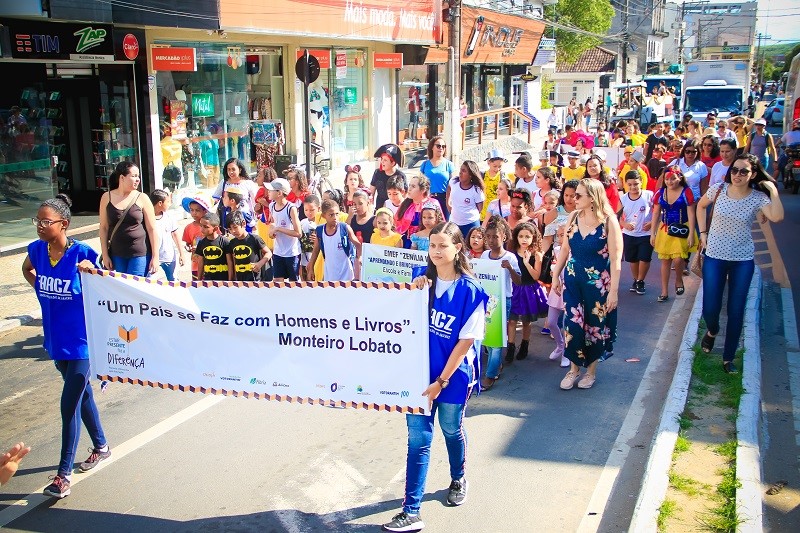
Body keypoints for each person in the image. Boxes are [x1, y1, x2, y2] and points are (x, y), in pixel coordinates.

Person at [383, 223, 488, 533]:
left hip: (452, 376)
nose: (437, 251)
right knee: (418, 440)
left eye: (443, 245)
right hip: (419, 374)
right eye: (432, 245)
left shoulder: (471, 291)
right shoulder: (420, 280)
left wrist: (440, 382)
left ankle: (458, 477)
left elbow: (465, 343)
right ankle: (411, 510)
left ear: (458, 249)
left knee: (451, 429)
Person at [22, 195, 112, 499]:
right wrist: (42, 294)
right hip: (56, 340)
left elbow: (106, 291)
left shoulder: (82, 254)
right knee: (83, 396)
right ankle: (101, 446)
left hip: (83, 344)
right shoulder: (36, 251)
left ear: (64, 224)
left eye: (47, 221)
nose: (40, 226)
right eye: (38, 220)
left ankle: (63, 476)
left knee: (69, 404)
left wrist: (95, 273)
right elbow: (27, 269)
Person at [697, 154, 783, 374]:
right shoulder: (718, 189)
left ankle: (728, 358)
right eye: (734, 170)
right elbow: (700, 206)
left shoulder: (757, 198)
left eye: (743, 171)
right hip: (714, 256)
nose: (737, 175)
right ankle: (712, 332)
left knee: (736, 310)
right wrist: (703, 234)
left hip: (742, 260)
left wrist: (772, 190)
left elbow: (777, 217)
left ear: (752, 174)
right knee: (710, 308)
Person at [551, 178, 622, 390]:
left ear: (593, 198)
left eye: (578, 195)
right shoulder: (572, 217)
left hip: (598, 285)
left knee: (594, 328)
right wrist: (556, 275)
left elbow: (617, 258)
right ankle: (573, 370)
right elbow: (564, 250)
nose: (573, 198)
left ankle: (590, 372)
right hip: (573, 281)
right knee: (572, 325)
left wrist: (614, 292)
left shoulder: (609, 221)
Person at [98, 162, 159, 276]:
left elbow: (152, 229)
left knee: (136, 287)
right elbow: (103, 228)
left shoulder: (142, 198)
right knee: (122, 288)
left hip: (140, 253)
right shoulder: (106, 197)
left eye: (138, 176)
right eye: (134, 176)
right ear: (122, 177)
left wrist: (155, 257)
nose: (138, 179)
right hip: (117, 253)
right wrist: (105, 255)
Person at [479, 216, 519, 386]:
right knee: (486, 335)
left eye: (495, 236)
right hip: (486, 301)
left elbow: (518, 281)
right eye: (488, 237)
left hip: (503, 301)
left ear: (503, 237)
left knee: (497, 338)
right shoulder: (483, 255)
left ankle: (491, 374)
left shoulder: (510, 258)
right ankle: (497, 364)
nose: (491, 240)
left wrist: (509, 268)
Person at [650, 168, 696, 302]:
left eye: (673, 178)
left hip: (682, 230)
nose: (670, 181)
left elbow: (691, 213)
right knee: (665, 261)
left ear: (680, 178)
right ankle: (664, 291)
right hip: (665, 230)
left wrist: (692, 234)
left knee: (678, 258)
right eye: (667, 179)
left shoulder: (686, 192)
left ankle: (678, 279)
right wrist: (652, 233)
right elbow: (656, 213)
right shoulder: (660, 192)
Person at [506, 221, 549, 362]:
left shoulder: (536, 254)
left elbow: (536, 276)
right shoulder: (511, 253)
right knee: (511, 320)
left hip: (528, 289)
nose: (524, 239)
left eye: (527, 236)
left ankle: (524, 345)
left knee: (526, 321)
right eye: (521, 236)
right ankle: (510, 347)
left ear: (533, 238)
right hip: (514, 289)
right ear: (516, 237)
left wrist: (526, 263)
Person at [308, 199, 361, 281]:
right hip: (330, 275)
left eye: (337, 214)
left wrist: (359, 258)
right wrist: (310, 267)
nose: (335, 217)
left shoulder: (345, 228)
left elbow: (358, 245)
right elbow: (315, 251)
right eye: (331, 215)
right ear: (323, 216)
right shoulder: (320, 231)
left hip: (347, 275)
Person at [620, 171, 654, 295]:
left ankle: (641, 280)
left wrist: (651, 223)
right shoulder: (623, 198)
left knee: (644, 258)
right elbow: (617, 217)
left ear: (641, 183)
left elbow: (658, 212)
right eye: (630, 184)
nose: (633, 187)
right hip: (629, 234)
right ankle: (636, 279)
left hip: (646, 234)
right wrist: (625, 225)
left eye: (636, 184)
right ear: (626, 184)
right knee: (633, 259)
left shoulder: (649, 195)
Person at [267, 177, 302, 282]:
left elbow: (298, 233)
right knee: (277, 281)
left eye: (271, 190)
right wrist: (271, 232)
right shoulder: (271, 206)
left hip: (292, 252)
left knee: (293, 282)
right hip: (278, 251)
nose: (268, 192)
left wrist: (278, 229)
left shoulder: (291, 208)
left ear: (279, 193)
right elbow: (272, 223)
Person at [228, 210, 272, 282]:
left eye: (235, 227)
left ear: (244, 223)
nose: (233, 231)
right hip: (240, 280)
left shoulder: (254, 238)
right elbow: (233, 260)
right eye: (230, 229)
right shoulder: (232, 242)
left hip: (255, 278)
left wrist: (259, 264)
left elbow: (268, 253)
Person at [150, 189, 183, 282]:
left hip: (169, 256)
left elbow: (175, 235)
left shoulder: (169, 217)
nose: (170, 204)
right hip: (153, 257)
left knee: (173, 280)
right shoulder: (147, 218)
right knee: (150, 280)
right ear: (160, 203)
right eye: (168, 202)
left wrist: (181, 253)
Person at [447, 160, 485, 238]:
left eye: (464, 171)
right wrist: (448, 204)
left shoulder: (476, 190)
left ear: (470, 174)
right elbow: (448, 189)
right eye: (460, 170)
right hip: (454, 223)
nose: (460, 173)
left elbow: (480, 208)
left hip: (471, 224)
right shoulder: (454, 181)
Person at [421, 136, 455, 220]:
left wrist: (449, 202)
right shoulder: (425, 164)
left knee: (443, 225)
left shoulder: (449, 164)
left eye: (443, 147)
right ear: (432, 147)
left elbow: (452, 185)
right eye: (438, 146)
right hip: (428, 199)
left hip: (444, 199)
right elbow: (420, 183)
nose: (441, 148)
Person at [396, 175, 435, 249]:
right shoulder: (405, 204)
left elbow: (439, 225)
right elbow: (396, 224)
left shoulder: (432, 204)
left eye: (413, 186)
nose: (409, 189)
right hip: (406, 243)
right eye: (409, 185)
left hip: (425, 244)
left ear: (423, 190)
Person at [181, 195, 212, 281]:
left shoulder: (211, 226)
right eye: (192, 210)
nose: (194, 213)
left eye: (197, 210)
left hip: (211, 262)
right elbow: (188, 243)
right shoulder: (188, 228)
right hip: (196, 264)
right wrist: (188, 247)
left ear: (205, 211)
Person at [194, 212, 233, 281]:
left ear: (215, 229)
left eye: (206, 227)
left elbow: (230, 262)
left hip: (223, 280)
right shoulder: (201, 243)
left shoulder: (225, 242)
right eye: (201, 226)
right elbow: (201, 262)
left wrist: (230, 281)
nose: (202, 229)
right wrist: (199, 280)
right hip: (208, 280)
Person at [371, 144, 407, 210]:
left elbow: (404, 195)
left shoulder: (401, 176)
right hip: (380, 208)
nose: (382, 162)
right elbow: (372, 191)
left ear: (393, 163)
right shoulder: (377, 173)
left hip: (395, 209)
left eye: (385, 160)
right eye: (382, 159)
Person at [299, 195, 321, 281]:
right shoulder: (302, 222)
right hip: (304, 259)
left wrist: (318, 238)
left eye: (312, 210)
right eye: (306, 210)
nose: (309, 212)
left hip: (317, 260)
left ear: (318, 208)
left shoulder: (321, 223)